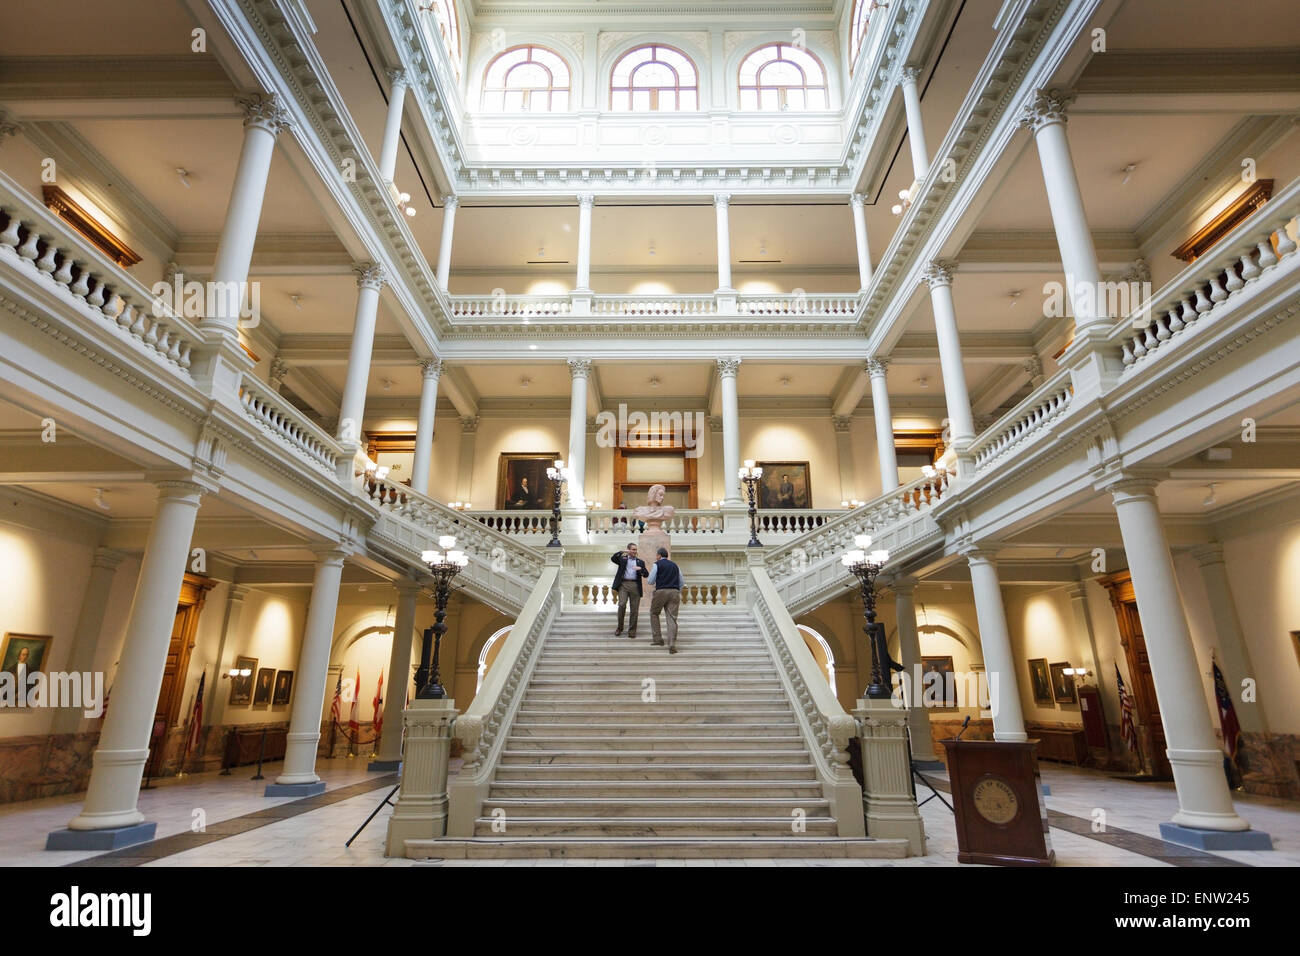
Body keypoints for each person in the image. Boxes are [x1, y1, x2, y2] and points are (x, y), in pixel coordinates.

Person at [647, 546, 683, 653]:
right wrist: (676, 590)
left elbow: (650, 581)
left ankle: (658, 639)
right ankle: (672, 643)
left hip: (661, 591)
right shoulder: (675, 565)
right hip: (674, 592)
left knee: (654, 613)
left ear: (659, 556)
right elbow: (681, 581)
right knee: (672, 618)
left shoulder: (657, 564)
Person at [610, 543, 648, 638]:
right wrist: (622, 552)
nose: (635, 551)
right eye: (633, 549)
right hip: (623, 584)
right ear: (628, 550)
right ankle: (620, 627)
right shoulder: (623, 559)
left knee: (634, 610)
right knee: (622, 605)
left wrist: (641, 569)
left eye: (635, 549)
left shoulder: (640, 562)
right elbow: (613, 558)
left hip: (635, 585)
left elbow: (646, 574)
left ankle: (632, 631)